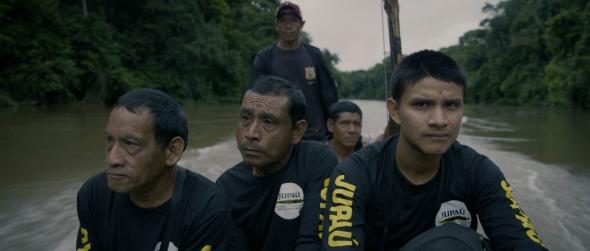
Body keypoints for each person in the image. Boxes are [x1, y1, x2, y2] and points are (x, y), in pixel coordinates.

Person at [321, 50, 548, 251]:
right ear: (395, 111)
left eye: (451, 105)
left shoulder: (477, 170)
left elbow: (520, 240)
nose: (439, 121)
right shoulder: (353, 174)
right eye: (421, 105)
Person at [76, 88, 230, 251]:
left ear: (172, 151)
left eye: (130, 144)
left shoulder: (206, 208)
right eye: (110, 141)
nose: (112, 159)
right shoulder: (94, 194)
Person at [216, 76, 338, 251]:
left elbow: (312, 241)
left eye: (268, 122)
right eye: (245, 118)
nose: (251, 133)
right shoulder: (225, 190)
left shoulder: (316, 160)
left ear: (297, 131)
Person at [252, 1, 338, 141]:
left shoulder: (315, 55)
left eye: (293, 21)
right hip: (279, 137)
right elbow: (257, 102)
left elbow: (330, 97)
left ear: (301, 24)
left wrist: (334, 133)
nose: (288, 26)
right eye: (283, 21)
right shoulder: (264, 58)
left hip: (316, 135)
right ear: (277, 25)